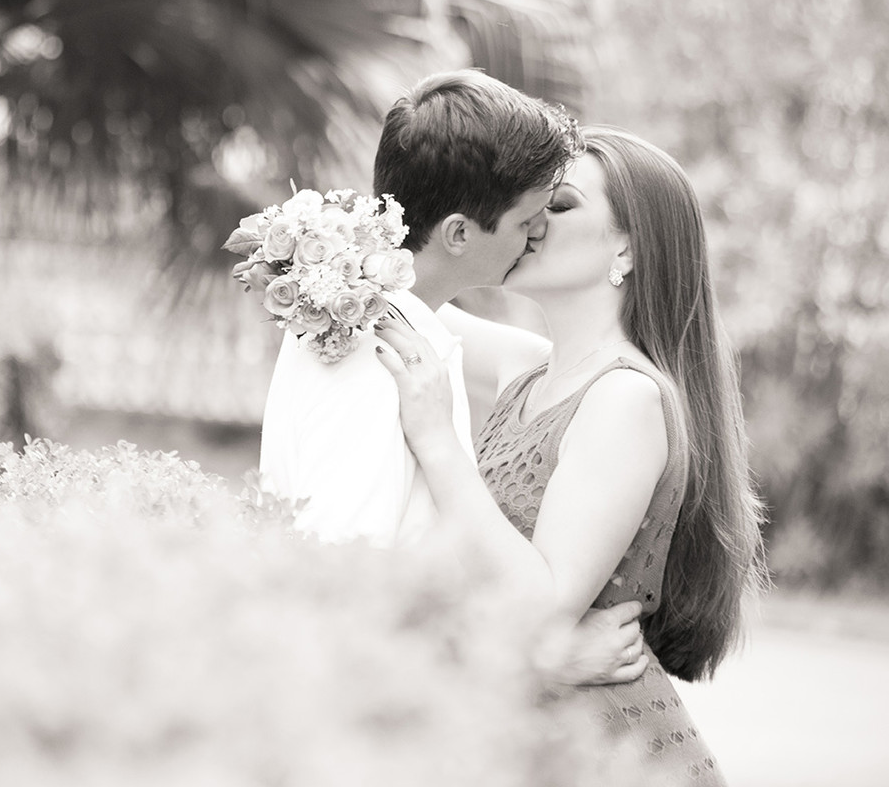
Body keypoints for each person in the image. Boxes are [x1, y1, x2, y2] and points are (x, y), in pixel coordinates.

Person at [374, 126, 768, 785]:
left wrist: (440, 443)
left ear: (627, 249)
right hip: (524, 725)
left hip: (602, 751)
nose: (530, 223)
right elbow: (398, 301)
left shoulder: (624, 399)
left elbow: (547, 599)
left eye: (559, 208)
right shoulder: (531, 368)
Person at [258, 69, 646, 687]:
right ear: (460, 233)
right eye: (525, 222)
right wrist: (543, 660)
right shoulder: (374, 357)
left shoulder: (389, 328)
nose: (536, 235)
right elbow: (340, 603)